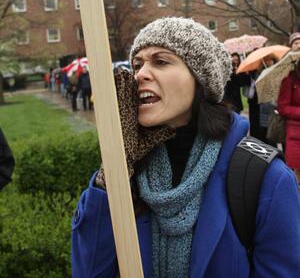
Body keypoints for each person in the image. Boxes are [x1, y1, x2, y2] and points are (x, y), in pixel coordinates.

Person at [72, 17, 300, 278]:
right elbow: (89, 271)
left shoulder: (265, 177)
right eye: (137, 65)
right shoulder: (126, 169)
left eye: (160, 61)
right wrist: (112, 173)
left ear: (200, 79)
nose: (140, 74)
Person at [277, 32, 300, 185]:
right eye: (296, 43)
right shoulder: (289, 78)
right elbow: (283, 107)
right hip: (296, 134)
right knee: (296, 175)